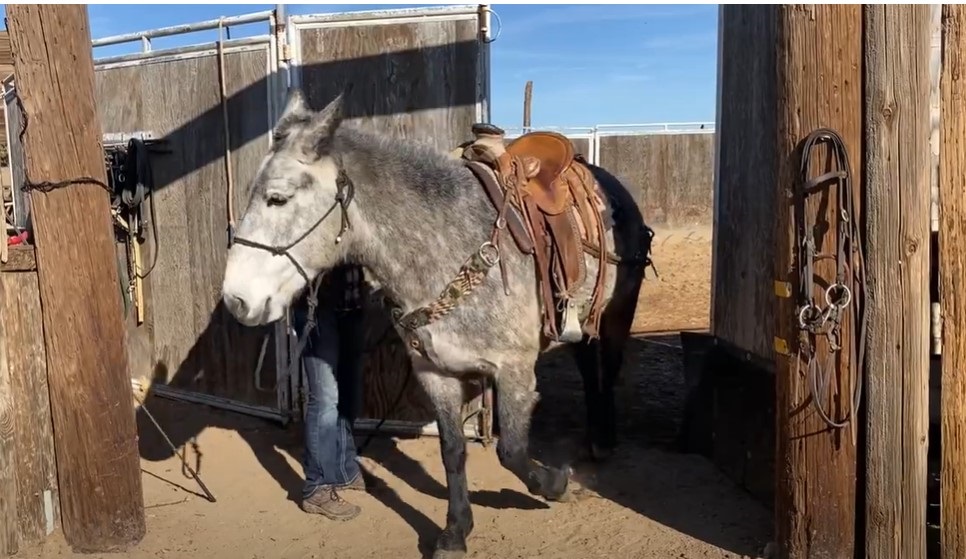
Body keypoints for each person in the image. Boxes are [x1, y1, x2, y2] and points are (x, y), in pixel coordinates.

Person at [291, 263, 367, 521]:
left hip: (351, 306)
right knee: (325, 398)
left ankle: (345, 468)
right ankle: (318, 487)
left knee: (347, 390)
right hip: (316, 307)